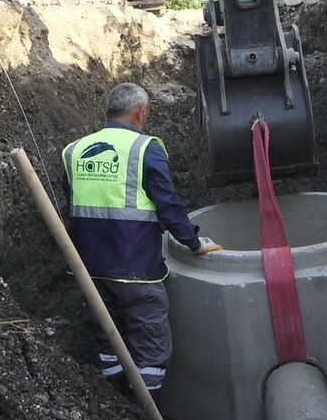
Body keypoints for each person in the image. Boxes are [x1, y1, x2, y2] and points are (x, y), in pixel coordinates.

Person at [62, 83, 221, 399]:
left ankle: (115, 402)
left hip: (89, 268)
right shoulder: (146, 149)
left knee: (108, 338)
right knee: (150, 341)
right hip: (134, 268)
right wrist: (193, 242)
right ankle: (145, 416)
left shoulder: (74, 150)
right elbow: (169, 205)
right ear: (140, 112)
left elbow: (75, 204)